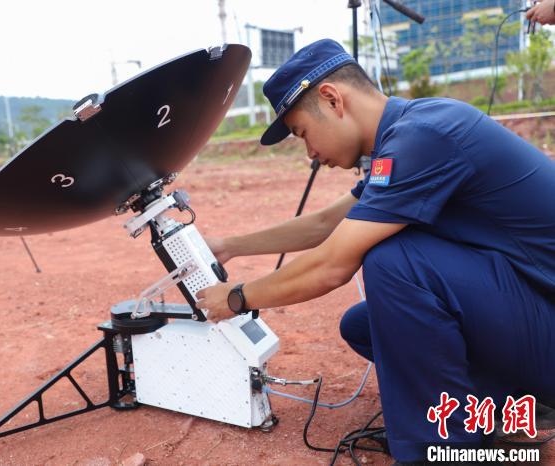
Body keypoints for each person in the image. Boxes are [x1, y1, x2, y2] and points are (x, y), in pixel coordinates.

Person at [195, 39, 555, 463]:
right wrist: (229, 246)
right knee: (366, 324)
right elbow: (327, 224)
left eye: (303, 133)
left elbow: (333, 264)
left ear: (331, 99)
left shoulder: (425, 137)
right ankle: (503, 410)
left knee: (393, 261)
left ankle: (441, 450)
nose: (311, 153)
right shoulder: (410, 133)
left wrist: (238, 298)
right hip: (536, 311)